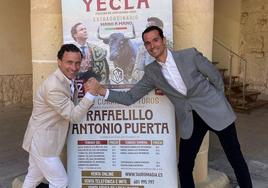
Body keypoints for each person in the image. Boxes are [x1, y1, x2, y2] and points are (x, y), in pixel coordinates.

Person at [95, 26, 253, 188]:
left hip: (216, 112)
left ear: (163, 41)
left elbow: (215, 77)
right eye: (147, 43)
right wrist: (101, 90)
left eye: (155, 40)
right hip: (190, 121)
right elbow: (129, 97)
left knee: (236, 159)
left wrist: (218, 101)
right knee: (184, 166)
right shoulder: (151, 72)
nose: (152, 46)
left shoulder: (189, 55)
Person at [22, 44, 99, 188]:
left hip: (43, 140)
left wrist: (87, 98)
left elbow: (73, 106)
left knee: (33, 177)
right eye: (69, 62)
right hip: (43, 142)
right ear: (59, 61)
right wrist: (91, 94)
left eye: (77, 63)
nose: (74, 67)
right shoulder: (54, 86)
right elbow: (73, 115)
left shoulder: (67, 80)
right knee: (60, 181)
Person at [132, 17, 173, 81]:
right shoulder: (143, 49)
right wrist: (153, 77)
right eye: (147, 28)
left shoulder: (170, 46)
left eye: (151, 28)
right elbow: (135, 73)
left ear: (160, 29)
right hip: (150, 88)